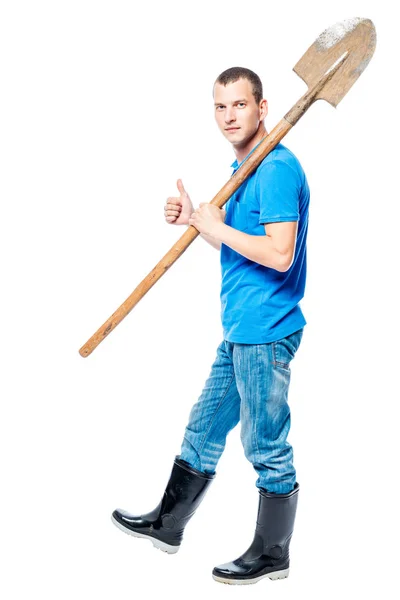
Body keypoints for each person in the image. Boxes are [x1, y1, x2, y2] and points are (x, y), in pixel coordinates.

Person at [111, 66, 310, 586]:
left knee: (266, 446)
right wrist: (197, 225)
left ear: (262, 108)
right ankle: (169, 522)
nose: (229, 116)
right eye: (220, 107)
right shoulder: (244, 168)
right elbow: (239, 246)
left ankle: (272, 552)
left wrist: (215, 223)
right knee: (203, 429)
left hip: (267, 330)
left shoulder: (276, 170)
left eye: (240, 105)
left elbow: (281, 254)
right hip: (242, 329)